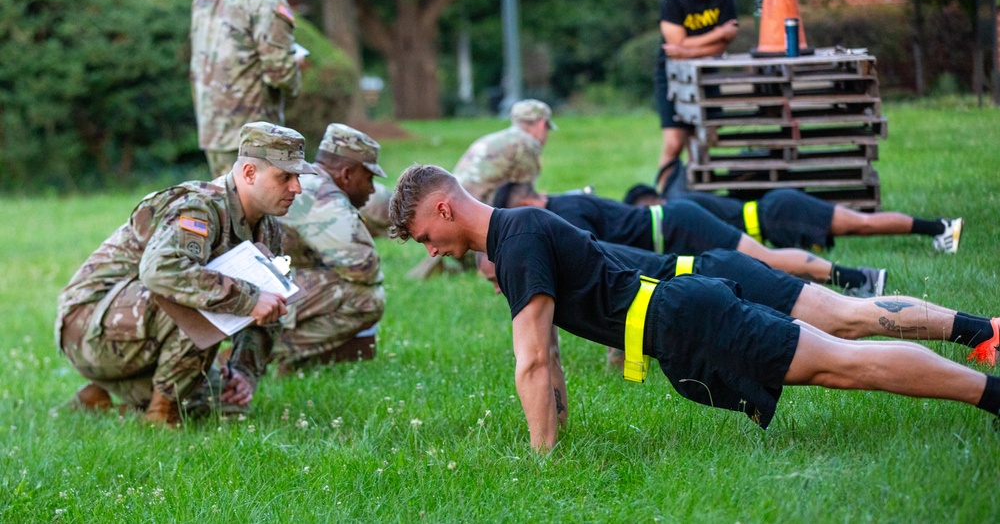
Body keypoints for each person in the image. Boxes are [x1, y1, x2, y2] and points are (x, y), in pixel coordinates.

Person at [388, 164, 1000, 453]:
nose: (430, 251)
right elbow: (544, 357)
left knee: (845, 358)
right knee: (843, 343)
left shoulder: (516, 242)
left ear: (443, 208)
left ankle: (989, 387)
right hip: (681, 314)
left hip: (687, 314)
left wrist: (541, 463)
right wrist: (555, 443)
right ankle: (985, 370)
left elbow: (531, 364)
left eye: (422, 237)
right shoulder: (518, 233)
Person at [56, 123, 316, 426]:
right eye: (285, 177)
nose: (296, 187)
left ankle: (104, 396)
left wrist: (244, 373)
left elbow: (271, 306)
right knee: (195, 290)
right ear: (248, 173)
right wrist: (247, 300)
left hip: (133, 331)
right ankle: (161, 413)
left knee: (225, 406)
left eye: (298, 177)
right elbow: (160, 272)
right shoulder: (199, 208)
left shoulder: (268, 228)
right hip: (87, 328)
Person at [476, 244, 1000, 369]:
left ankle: (982, 331)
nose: (503, 288)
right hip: (699, 285)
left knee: (848, 317)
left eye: (497, 277)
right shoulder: (542, 253)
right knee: (847, 327)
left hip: (705, 276)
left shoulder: (536, 248)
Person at [492, 182, 886, 297]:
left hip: (678, 225)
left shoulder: (566, 211)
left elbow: (593, 257)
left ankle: (859, 278)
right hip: (674, 231)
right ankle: (837, 286)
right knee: (761, 264)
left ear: (526, 202)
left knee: (766, 258)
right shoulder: (567, 201)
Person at [191, 0, 303, 178]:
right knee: (255, 217)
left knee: (225, 212)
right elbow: (279, 73)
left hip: (213, 131)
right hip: (254, 138)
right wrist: (296, 67)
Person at [274, 124, 387, 373]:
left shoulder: (306, 180)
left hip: (251, 276)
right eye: (368, 179)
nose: (370, 189)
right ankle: (268, 352)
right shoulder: (323, 197)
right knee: (367, 299)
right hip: (254, 287)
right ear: (346, 174)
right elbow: (363, 268)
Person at [407, 99, 556, 279]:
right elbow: (524, 202)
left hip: (451, 223)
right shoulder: (527, 144)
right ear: (541, 124)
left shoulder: (494, 139)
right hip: (474, 231)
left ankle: (448, 268)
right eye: (547, 129)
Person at [623, 183, 963, 254]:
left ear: (655, 201)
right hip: (774, 220)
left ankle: (942, 228)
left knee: (861, 224)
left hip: (777, 214)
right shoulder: (681, 208)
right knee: (860, 225)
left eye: (647, 209)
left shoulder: (682, 207)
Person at [654, 0, 739, 198]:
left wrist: (687, 49)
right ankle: (664, 199)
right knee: (674, 142)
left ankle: (698, 197)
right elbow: (674, 43)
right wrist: (718, 33)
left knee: (702, 142)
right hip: (672, 77)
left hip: (707, 77)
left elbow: (721, 47)